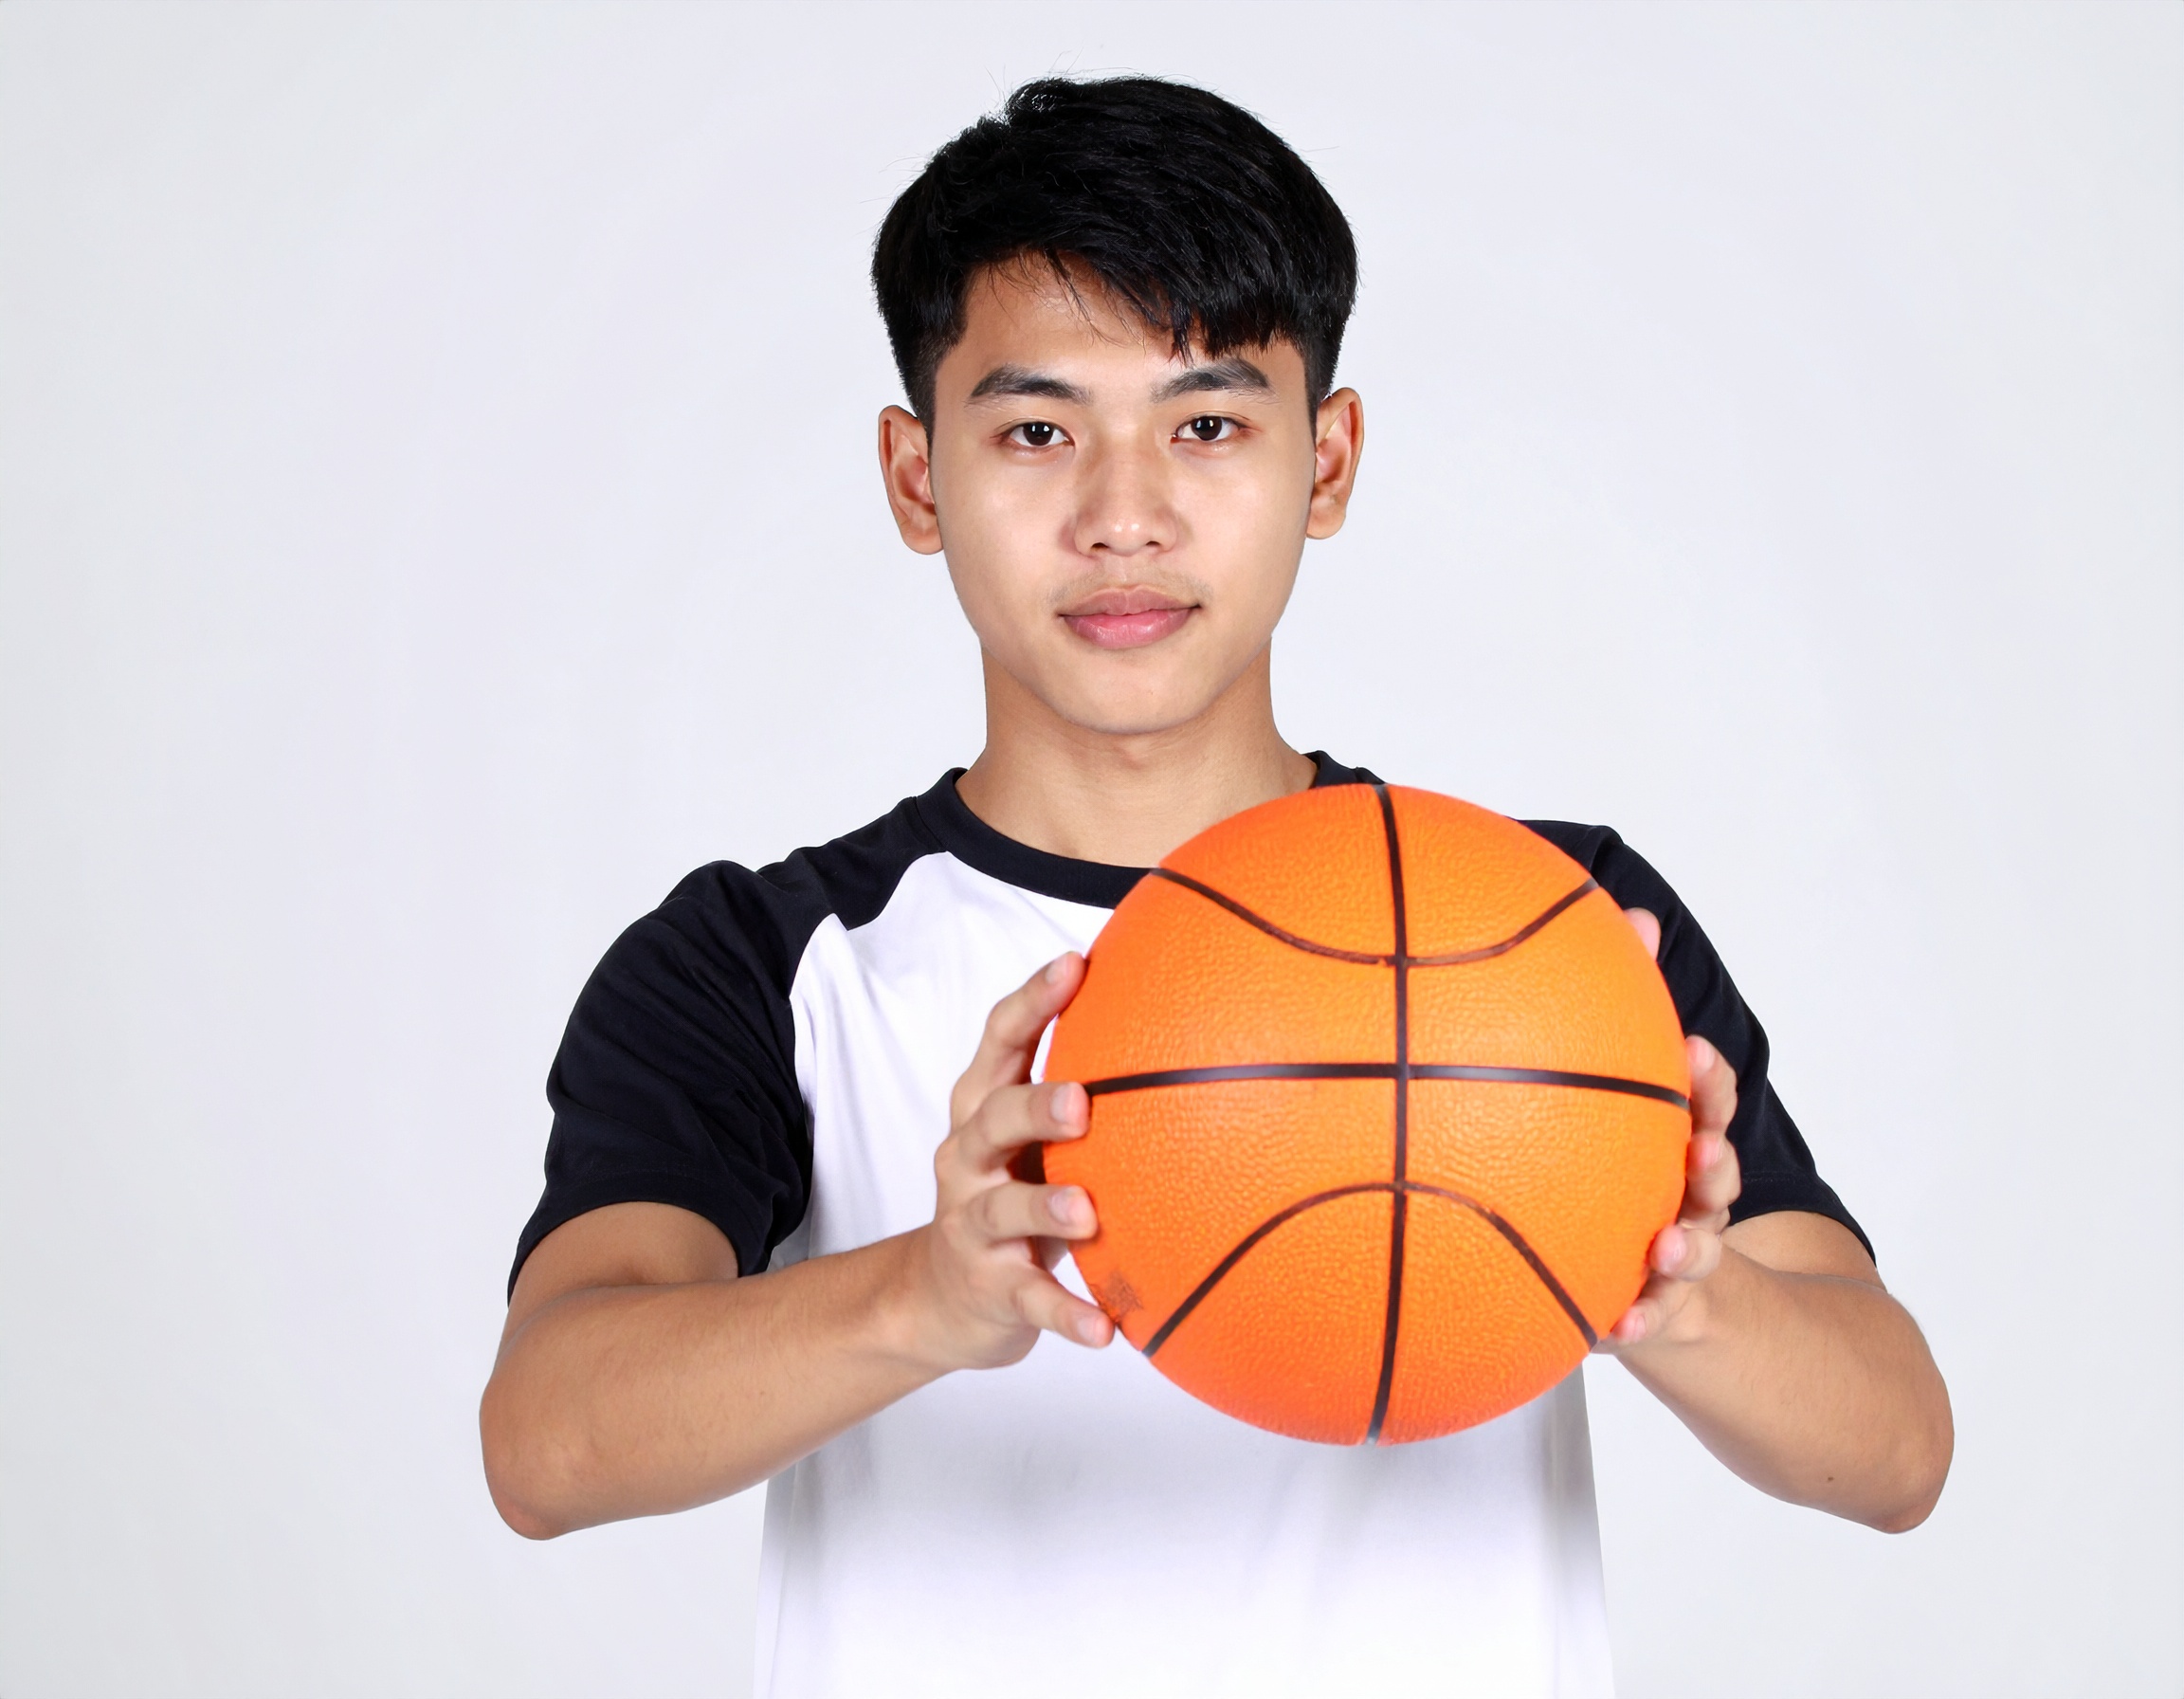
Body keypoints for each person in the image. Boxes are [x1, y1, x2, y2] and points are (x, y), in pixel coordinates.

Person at [480, 76, 1952, 1697]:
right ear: (919, 479)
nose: (1125, 516)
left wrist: (1671, 1292)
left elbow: (1893, 1453)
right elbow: (548, 1443)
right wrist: (926, 1288)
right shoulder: (760, 960)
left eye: (1208, 425)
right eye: (1038, 430)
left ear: (1327, 463)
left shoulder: (1548, 924)